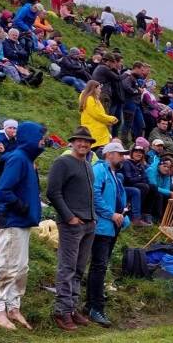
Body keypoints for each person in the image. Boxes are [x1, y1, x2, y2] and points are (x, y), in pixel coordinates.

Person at [0, 121, 44, 330]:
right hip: (13, 221)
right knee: (8, 266)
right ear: (30, 138)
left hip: (23, 222)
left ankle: (14, 307)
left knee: (21, 267)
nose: (43, 141)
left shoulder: (28, 161)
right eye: (40, 137)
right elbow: (2, 191)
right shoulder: (18, 159)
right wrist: (21, 207)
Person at [46, 127, 97, 331]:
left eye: (87, 142)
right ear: (72, 142)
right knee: (66, 269)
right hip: (71, 225)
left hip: (89, 223)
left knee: (78, 269)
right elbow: (53, 192)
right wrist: (69, 217)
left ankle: (72, 309)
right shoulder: (62, 162)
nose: (83, 144)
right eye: (80, 141)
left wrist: (93, 219)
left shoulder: (87, 165)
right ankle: (62, 311)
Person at [84, 141, 130, 327]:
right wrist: (111, 214)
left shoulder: (114, 174)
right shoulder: (100, 170)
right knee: (99, 266)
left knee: (101, 266)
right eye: (120, 154)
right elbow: (94, 196)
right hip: (102, 227)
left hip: (111, 227)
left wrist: (123, 217)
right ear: (109, 154)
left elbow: (118, 199)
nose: (123, 157)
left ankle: (93, 303)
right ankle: (95, 307)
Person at [78, 80, 116, 150]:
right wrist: (110, 119)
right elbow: (97, 114)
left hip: (96, 132)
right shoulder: (89, 99)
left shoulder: (92, 99)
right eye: (99, 88)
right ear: (94, 88)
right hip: (95, 133)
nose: (100, 90)